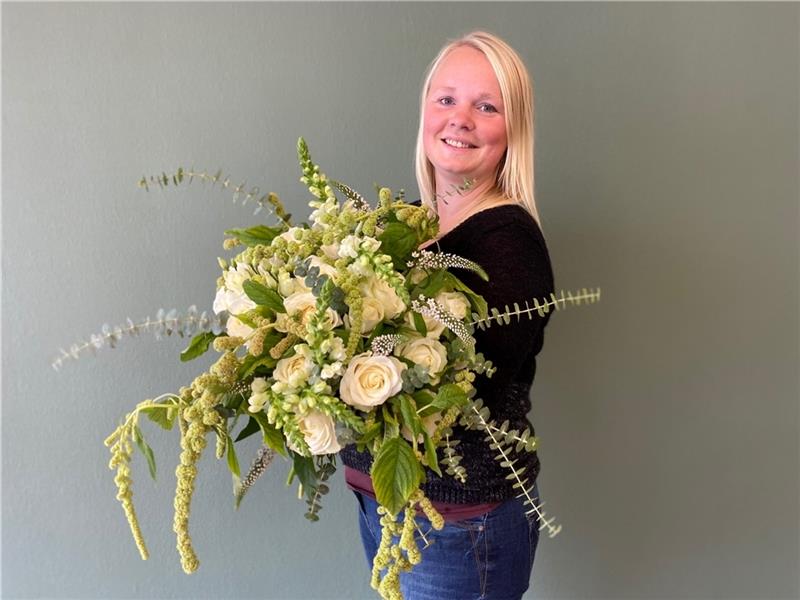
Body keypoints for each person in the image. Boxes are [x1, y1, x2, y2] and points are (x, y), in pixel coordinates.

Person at [340, 30, 556, 600]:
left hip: (460, 527)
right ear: (425, 110)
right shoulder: (403, 226)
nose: (460, 119)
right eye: (447, 99)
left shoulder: (509, 244)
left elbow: (455, 389)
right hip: (388, 507)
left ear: (513, 132)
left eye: (486, 107)